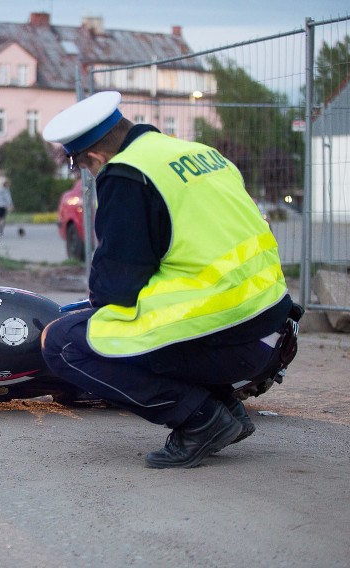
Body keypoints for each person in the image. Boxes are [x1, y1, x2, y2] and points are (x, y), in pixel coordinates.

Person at [40, 91, 294, 469]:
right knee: (106, 324)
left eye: (80, 166)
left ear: (94, 157)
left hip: (229, 337)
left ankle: (200, 420)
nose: (88, 175)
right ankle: (223, 408)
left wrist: (89, 310)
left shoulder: (126, 174)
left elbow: (115, 290)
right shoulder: (199, 153)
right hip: (272, 329)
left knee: (63, 343)